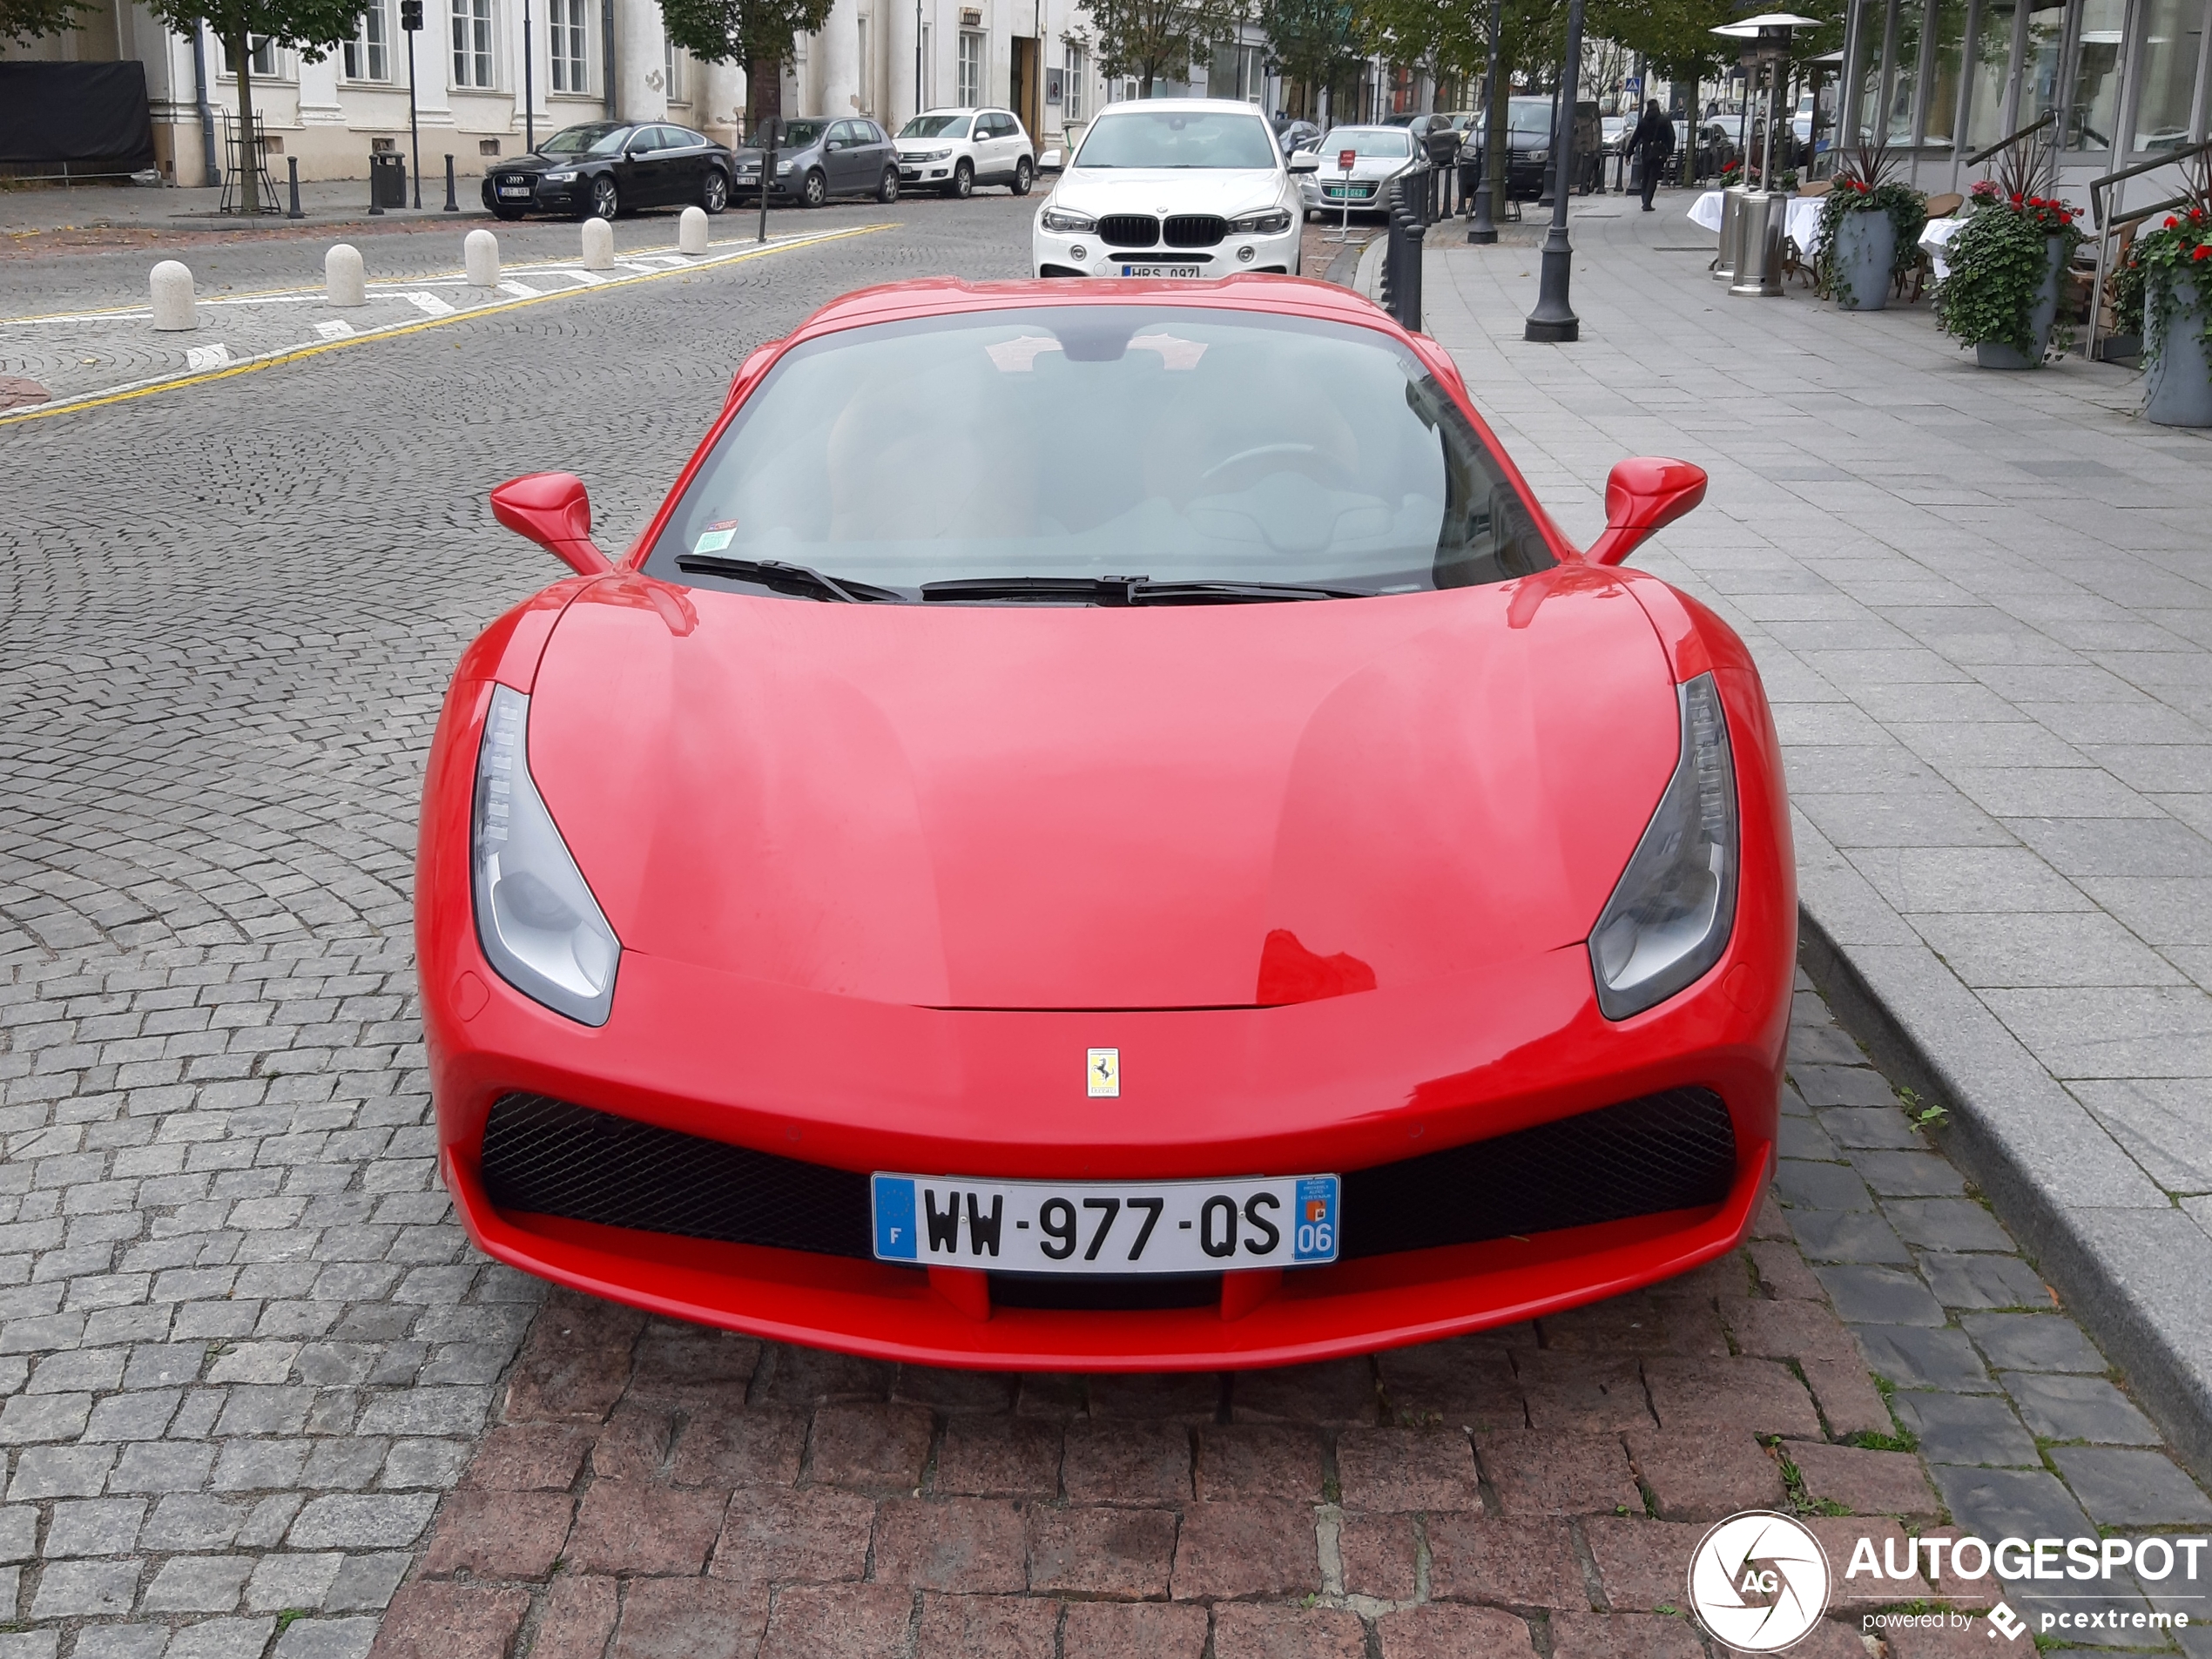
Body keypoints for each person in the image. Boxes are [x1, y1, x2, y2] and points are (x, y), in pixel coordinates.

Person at [1630, 100, 1675, 212]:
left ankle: (1644, 198)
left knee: (1645, 176)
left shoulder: (1643, 122)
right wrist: (1670, 151)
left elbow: (1635, 137)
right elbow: (1671, 137)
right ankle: (1647, 202)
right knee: (1653, 177)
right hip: (1659, 151)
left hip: (1646, 151)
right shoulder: (1664, 120)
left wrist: (1628, 152)